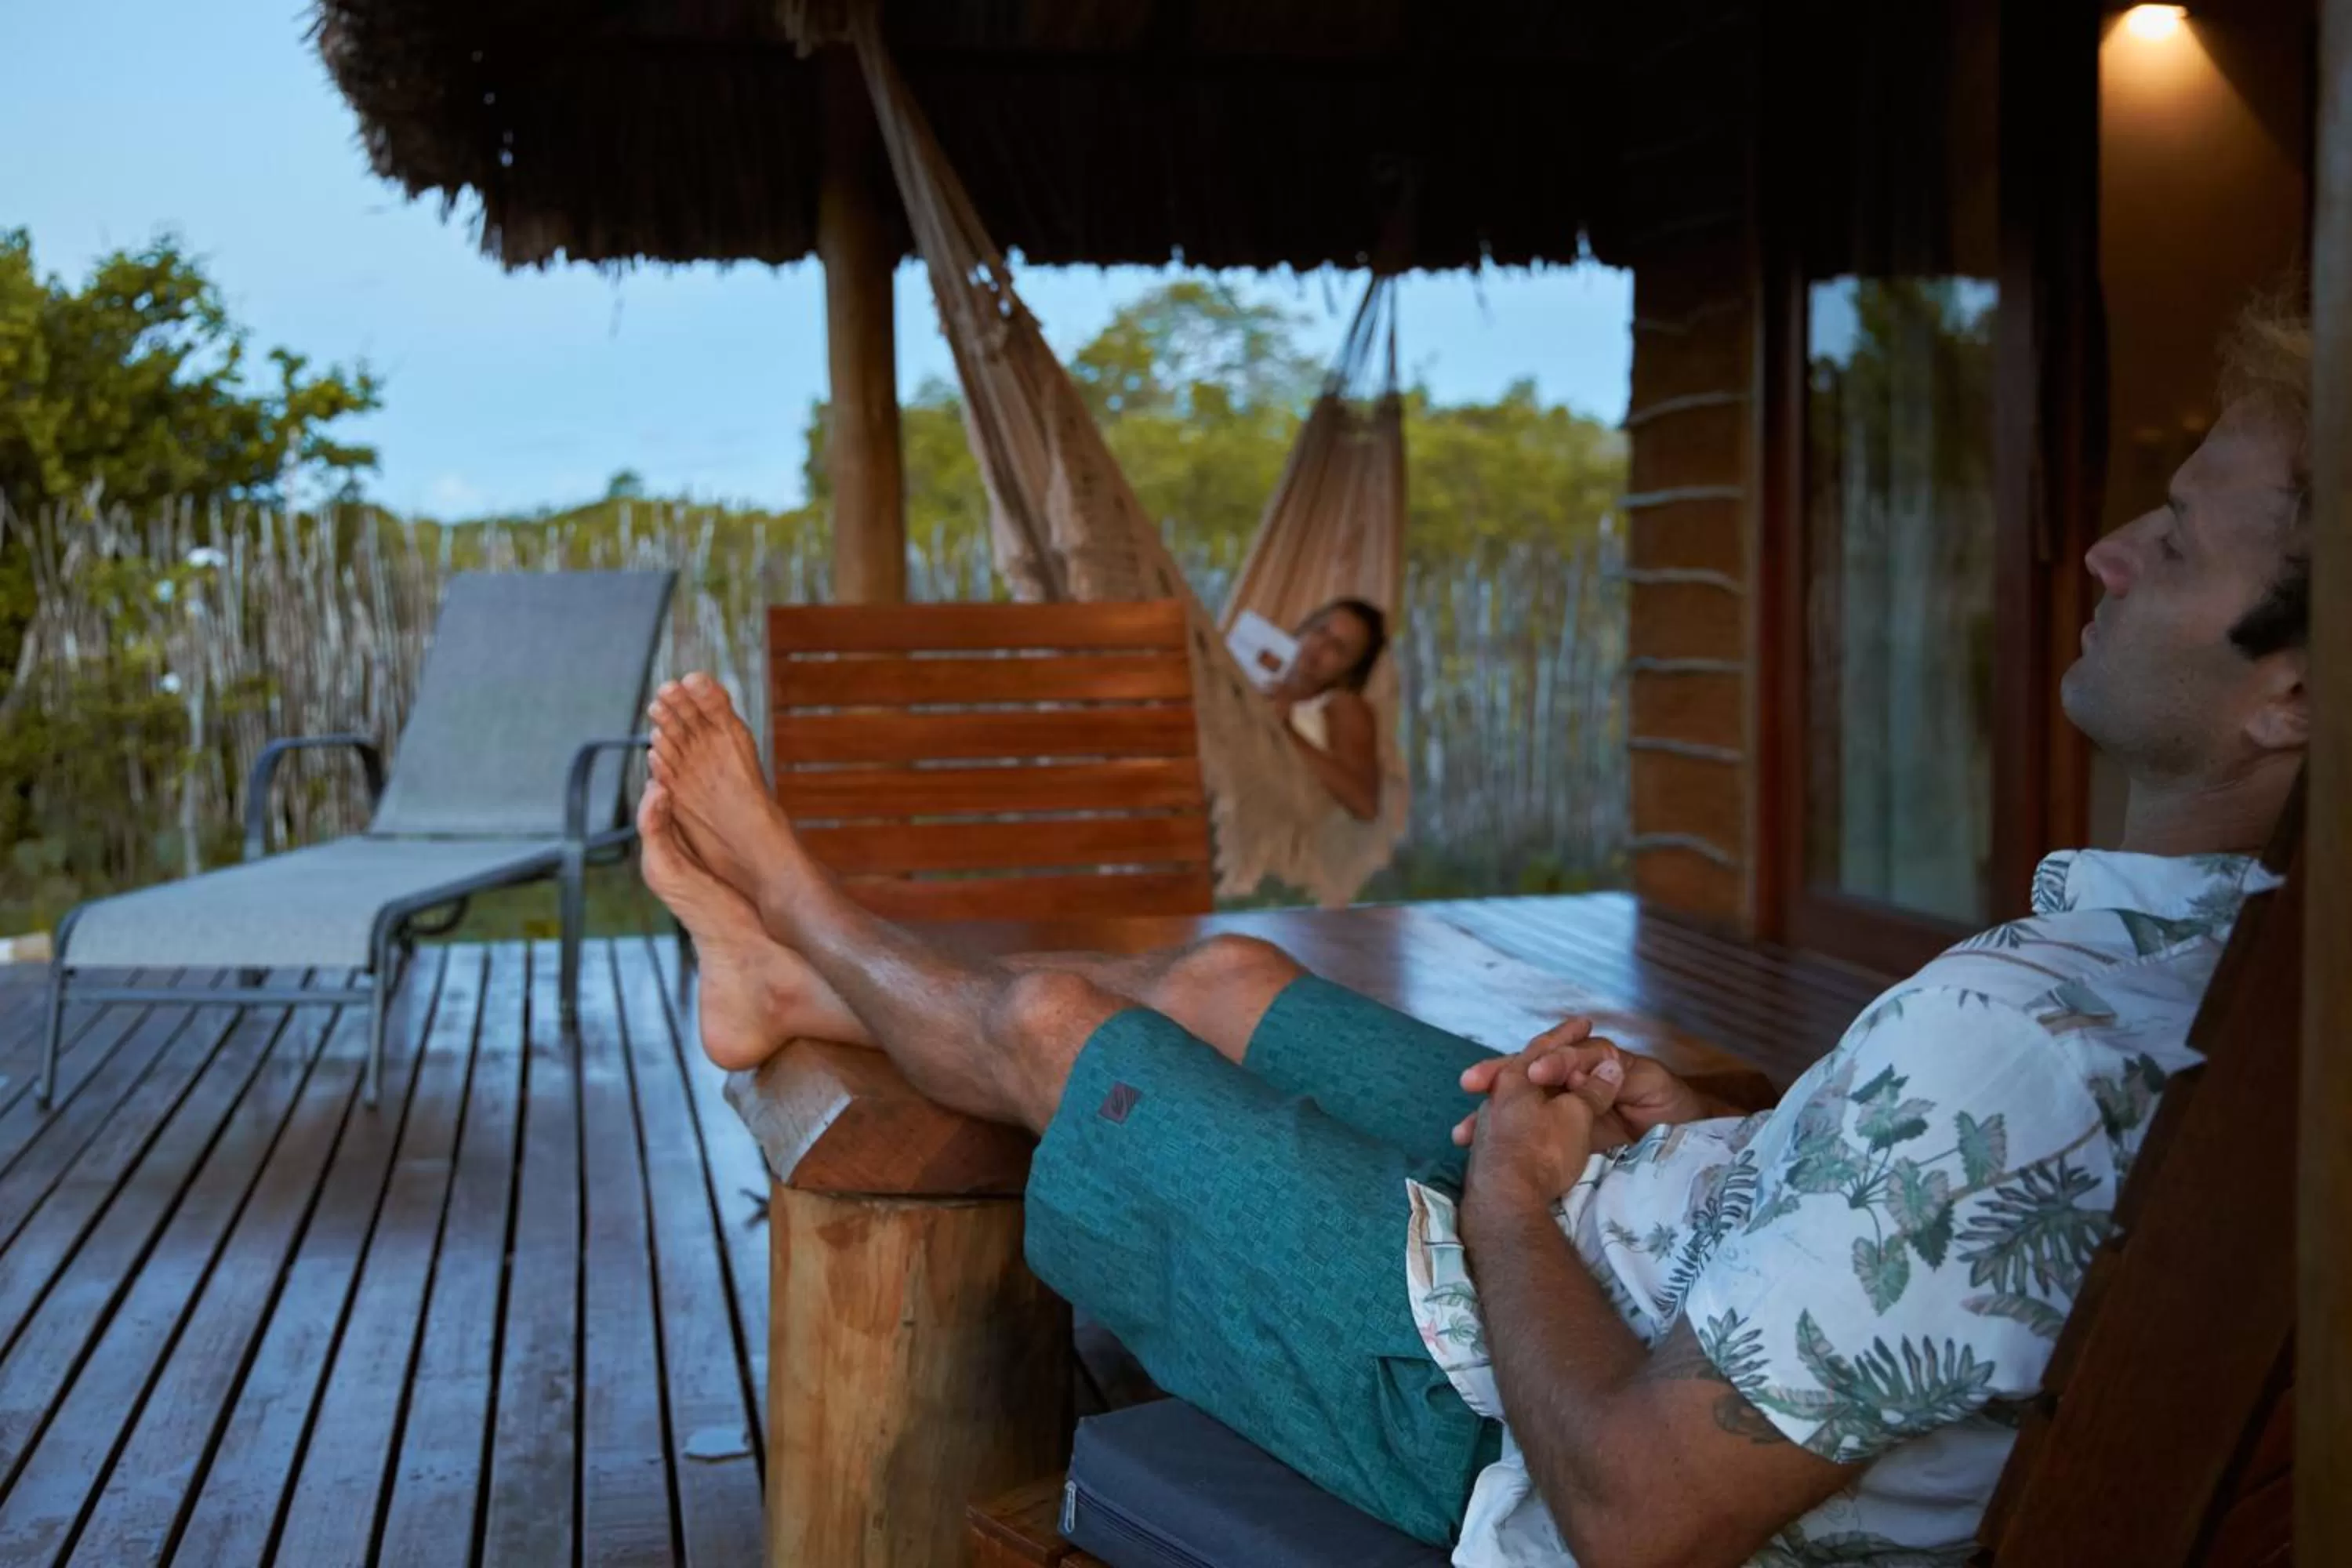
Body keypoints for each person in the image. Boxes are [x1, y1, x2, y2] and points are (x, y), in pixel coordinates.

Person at [635, 298, 2310, 1567]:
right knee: (1226, 974)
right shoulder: (2208, 987)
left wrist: (1514, 1182)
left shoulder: (2027, 1040)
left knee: (1073, 1029)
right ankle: (788, 963)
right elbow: (1941, 1244)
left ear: (2294, 693)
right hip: (1635, 1260)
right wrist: (1736, 1134)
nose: (2101, 551)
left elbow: (1640, 1509)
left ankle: (796, 906)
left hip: (1494, 1406)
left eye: (2167, 542)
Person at [1269, 597, 1388, 821]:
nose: (1320, 646)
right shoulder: (1256, 676)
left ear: (1350, 671)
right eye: (1321, 630)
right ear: (1304, 628)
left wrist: (1287, 733)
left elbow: (1365, 804)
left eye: (1339, 647)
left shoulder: (1343, 705)